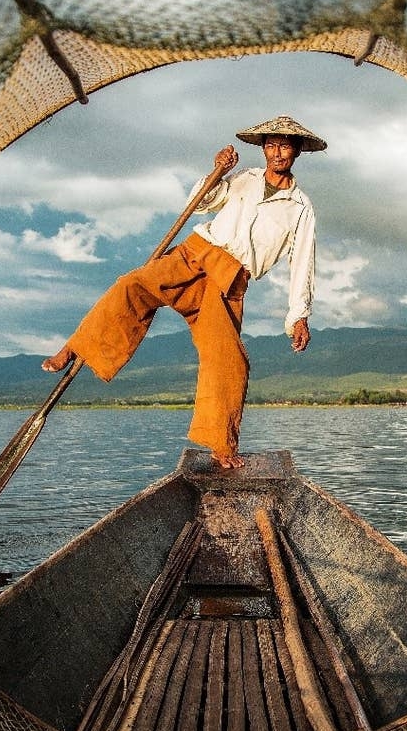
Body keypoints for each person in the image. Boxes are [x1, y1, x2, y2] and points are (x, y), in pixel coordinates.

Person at [41, 114, 325, 469]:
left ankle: (222, 445)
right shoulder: (244, 180)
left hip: (229, 281)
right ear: (264, 149)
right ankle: (74, 347)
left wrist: (299, 316)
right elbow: (202, 202)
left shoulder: (301, 208)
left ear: (297, 151)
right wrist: (216, 172)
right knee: (132, 284)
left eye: (285, 145)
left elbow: (302, 261)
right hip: (195, 254)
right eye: (271, 145)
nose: (277, 152)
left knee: (230, 359)